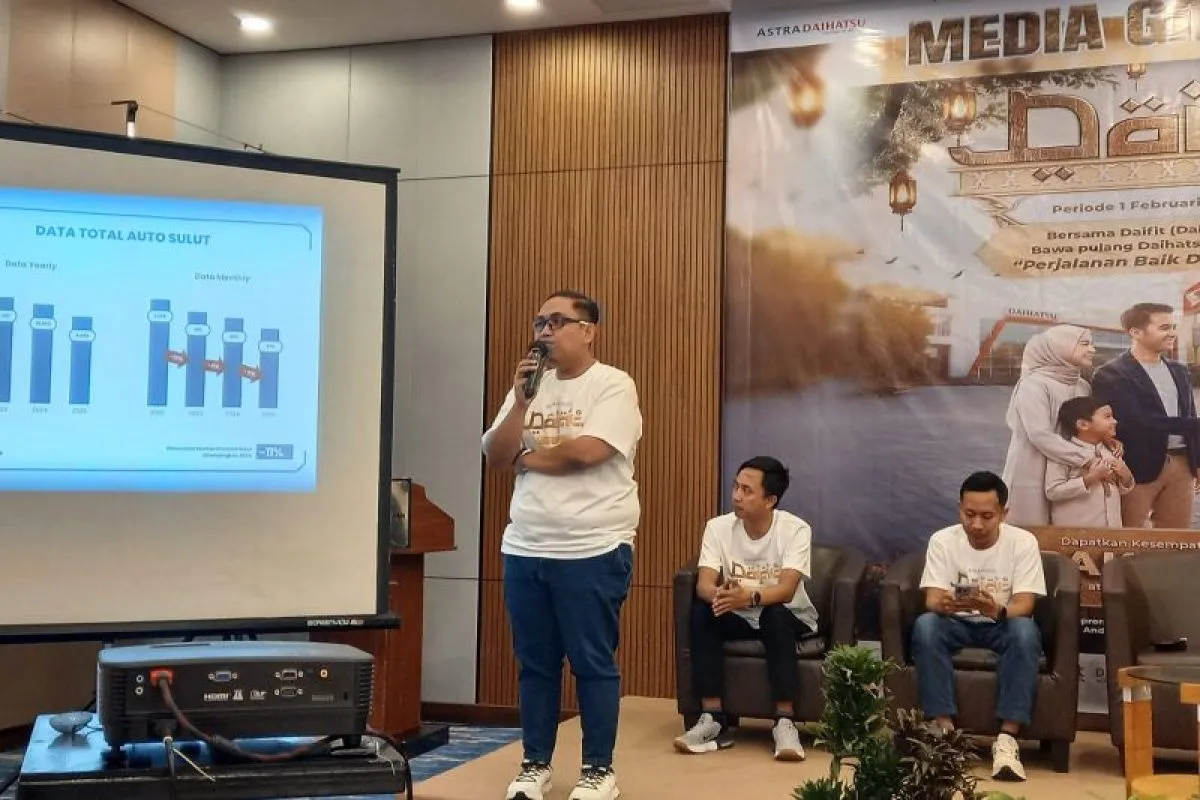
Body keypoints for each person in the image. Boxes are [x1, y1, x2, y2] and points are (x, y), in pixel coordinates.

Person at [481, 290, 641, 800]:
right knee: (535, 664)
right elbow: (496, 454)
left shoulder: (613, 385)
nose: (544, 332)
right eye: (539, 323)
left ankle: (598, 770)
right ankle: (535, 764)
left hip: (592, 546)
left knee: (592, 662)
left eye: (557, 321)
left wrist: (528, 459)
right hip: (526, 545)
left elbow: (587, 453)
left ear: (588, 330)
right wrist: (520, 403)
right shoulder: (530, 388)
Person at [673, 456, 814, 761]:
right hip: (739, 613)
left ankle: (785, 721)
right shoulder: (718, 527)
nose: (736, 495)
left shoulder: (795, 530)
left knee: (775, 614)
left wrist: (747, 597)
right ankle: (712, 718)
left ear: (770, 500)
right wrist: (722, 595)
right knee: (704, 609)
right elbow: (704, 584)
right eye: (736, 487)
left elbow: (786, 590)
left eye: (747, 490)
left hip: (789, 614)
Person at [912, 471, 1046, 782]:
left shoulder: (1023, 542)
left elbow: (1024, 605)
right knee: (926, 626)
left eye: (987, 516)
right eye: (969, 514)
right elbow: (932, 599)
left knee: (1025, 631)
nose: (976, 524)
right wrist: (945, 604)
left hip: (1001, 622)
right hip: (956, 622)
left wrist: (996, 609)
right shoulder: (943, 540)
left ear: (1003, 513)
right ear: (959, 508)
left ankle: (1007, 739)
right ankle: (945, 732)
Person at [1090, 302, 1200, 529]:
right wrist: (1194, 425)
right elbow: (1136, 422)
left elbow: (1190, 412)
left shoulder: (1179, 370)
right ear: (1136, 332)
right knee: (1129, 537)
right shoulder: (1111, 374)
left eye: (1173, 327)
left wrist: (1197, 462)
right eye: (1164, 328)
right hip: (1135, 465)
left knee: (1175, 538)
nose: (1172, 333)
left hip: (1182, 465)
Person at [1000, 324, 1096, 526]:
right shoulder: (1034, 384)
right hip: (1033, 468)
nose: (1092, 349)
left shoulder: (1082, 385)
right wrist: (1088, 458)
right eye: (1084, 344)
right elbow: (1039, 434)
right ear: (1061, 346)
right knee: (1032, 530)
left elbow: (1088, 426)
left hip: (1070, 470)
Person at [1045, 396, 1134, 527]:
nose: (1114, 421)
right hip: (1076, 533)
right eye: (1107, 417)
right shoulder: (1063, 454)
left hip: (1112, 532)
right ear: (1083, 425)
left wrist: (1126, 476)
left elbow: (1121, 490)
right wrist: (1090, 478)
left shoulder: (1111, 450)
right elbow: (1053, 491)